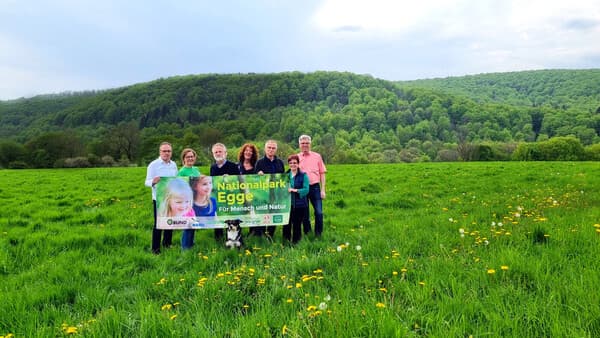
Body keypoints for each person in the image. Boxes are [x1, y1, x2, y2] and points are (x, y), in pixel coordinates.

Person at [145, 142, 178, 254]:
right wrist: (153, 182)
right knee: (158, 224)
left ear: (171, 153)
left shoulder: (173, 164)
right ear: (160, 152)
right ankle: (155, 248)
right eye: (164, 151)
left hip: (171, 198)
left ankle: (167, 244)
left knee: (170, 221)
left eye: (168, 151)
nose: (166, 153)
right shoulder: (153, 165)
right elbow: (147, 182)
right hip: (159, 199)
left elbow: (176, 178)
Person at [297, 135, 327, 237]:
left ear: (310, 144)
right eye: (302, 143)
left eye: (307, 143)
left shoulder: (317, 156)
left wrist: (323, 190)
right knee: (305, 215)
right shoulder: (296, 158)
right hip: (302, 189)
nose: (305, 145)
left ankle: (319, 234)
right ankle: (308, 233)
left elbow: (322, 173)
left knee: (319, 212)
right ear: (299, 145)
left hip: (315, 187)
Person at [255, 140, 285, 237]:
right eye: (269, 148)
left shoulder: (280, 162)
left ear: (276, 150)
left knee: (274, 213)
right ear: (265, 149)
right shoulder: (259, 163)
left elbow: (283, 178)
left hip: (276, 194)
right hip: (263, 194)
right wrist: (258, 175)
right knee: (263, 214)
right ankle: (262, 234)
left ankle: (270, 234)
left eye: (273, 148)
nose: (271, 150)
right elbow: (253, 180)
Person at [209, 143, 239, 240]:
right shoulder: (212, 167)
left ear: (225, 153)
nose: (218, 154)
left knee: (230, 219)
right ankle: (218, 239)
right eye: (216, 152)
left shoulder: (233, 166)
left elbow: (239, 182)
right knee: (218, 218)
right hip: (218, 198)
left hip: (230, 198)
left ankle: (233, 239)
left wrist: (230, 179)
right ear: (213, 154)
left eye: (220, 151)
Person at [284, 154, 309, 244]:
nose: (293, 165)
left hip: (300, 204)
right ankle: (286, 241)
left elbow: (306, 190)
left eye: (295, 163)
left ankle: (296, 242)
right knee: (287, 223)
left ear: (298, 164)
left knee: (297, 224)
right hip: (287, 204)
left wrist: (295, 190)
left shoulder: (303, 175)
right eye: (290, 163)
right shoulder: (285, 175)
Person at [178, 148, 201, 250]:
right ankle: (185, 248)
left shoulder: (196, 170)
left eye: (192, 156)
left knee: (193, 224)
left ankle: (191, 245)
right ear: (184, 159)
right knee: (187, 225)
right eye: (188, 157)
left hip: (196, 201)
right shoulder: (182, 172)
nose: (190, 158)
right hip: (186, 202)